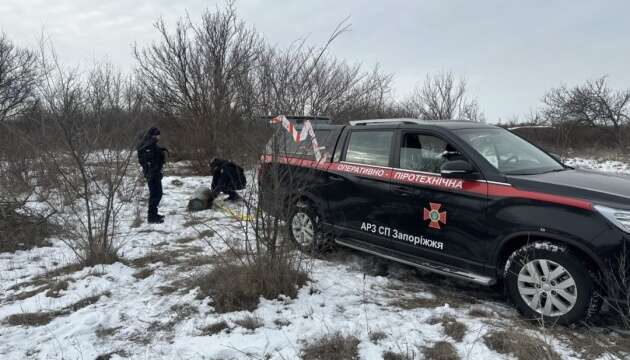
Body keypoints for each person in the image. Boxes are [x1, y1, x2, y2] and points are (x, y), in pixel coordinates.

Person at [137, 127, 167, 224]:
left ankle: (154, 214)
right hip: (152, 174)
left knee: (157, 194)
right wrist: (154, 172)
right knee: (155, 195)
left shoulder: (151, 144)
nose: (159, 137)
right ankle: (152, 217)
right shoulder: (148, 145)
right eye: (158, 135)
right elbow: (149, 161)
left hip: (154, 173)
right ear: (154, 135)